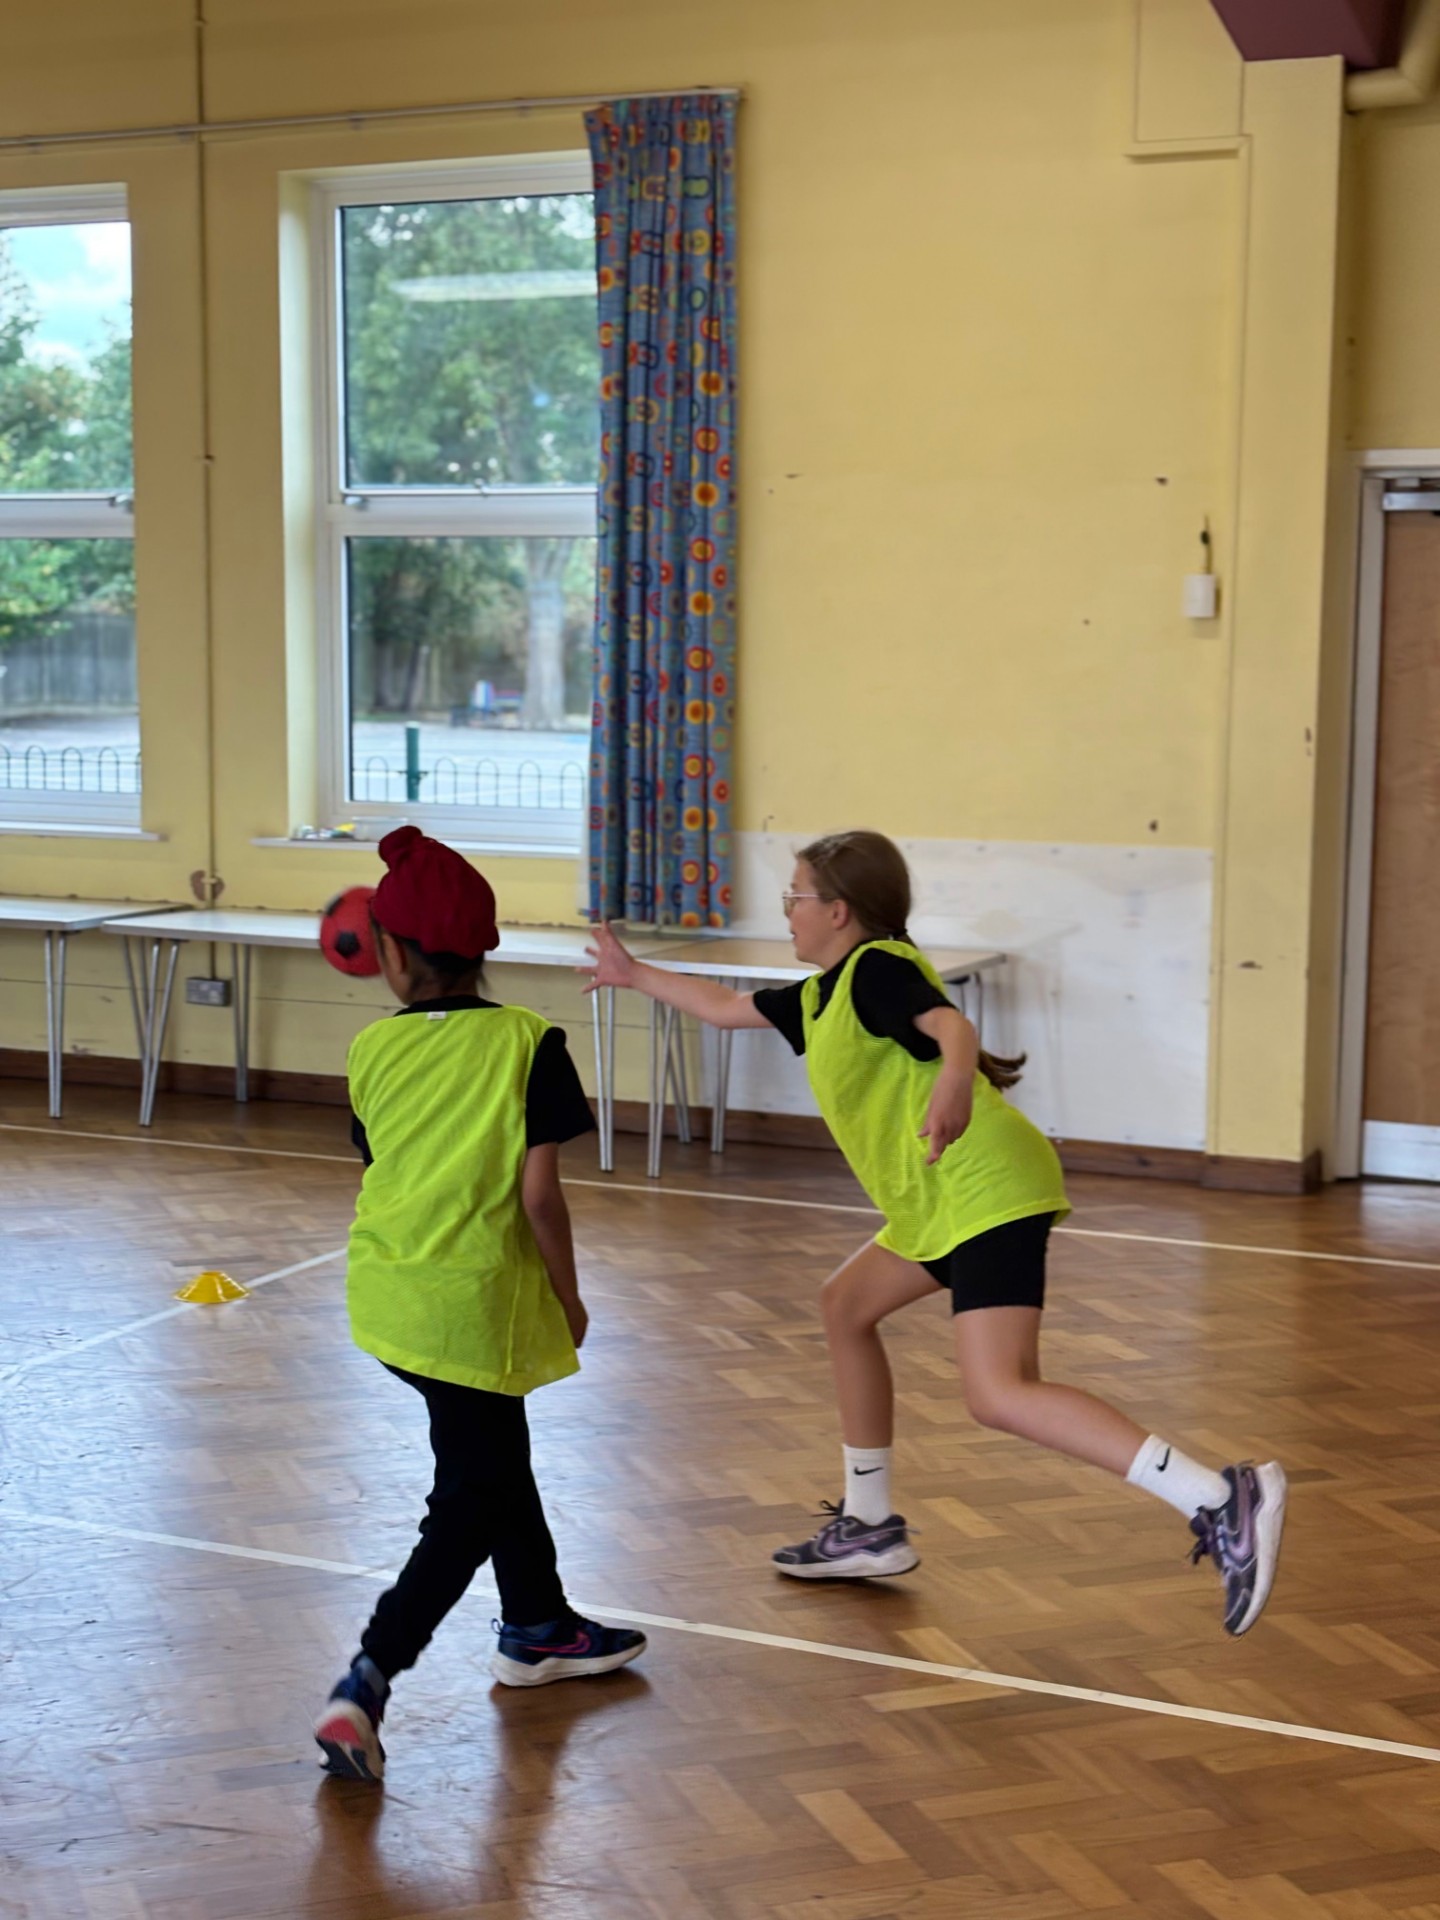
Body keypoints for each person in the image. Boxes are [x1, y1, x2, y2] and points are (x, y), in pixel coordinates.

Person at [584, 829, 1286, 1637]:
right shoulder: (821, 997)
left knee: (1001, 1393)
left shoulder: (878, 969)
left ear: (839, 911)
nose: (787, 911)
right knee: (846, 1305)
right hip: (939, 1204)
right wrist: (633, 974)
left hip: (984, 1188)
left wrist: (955, 1079)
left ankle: (1219, 1498)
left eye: (795, 896)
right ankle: (868, 1526)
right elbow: (720, 1007)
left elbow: (950, 1026)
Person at [315, 826, 644, 1783]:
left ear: (389, 955)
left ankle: (538, 1624)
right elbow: (540, 1198)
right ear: (483, 947)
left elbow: (383, 1163)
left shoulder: (371, 1049)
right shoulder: (530, 1043)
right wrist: (568, 1294)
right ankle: (367, 1680)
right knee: (467, 1500)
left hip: (388, 1298)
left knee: (493, 1455)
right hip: (469, 1308)